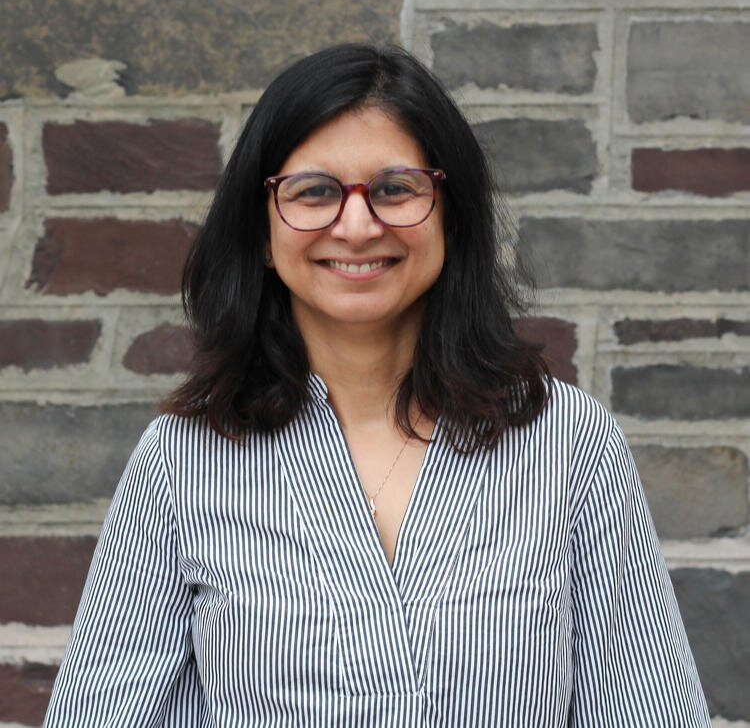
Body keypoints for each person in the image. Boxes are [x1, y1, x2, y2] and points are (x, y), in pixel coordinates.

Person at [44, 44, 710, 727]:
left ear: (450, 214)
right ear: (262, 229)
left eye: (394, 188)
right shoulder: (183, 461)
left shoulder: (568, 444)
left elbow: (649, 708)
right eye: (313, 191)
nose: (358, 226)